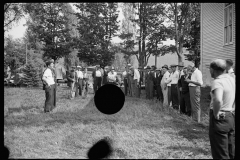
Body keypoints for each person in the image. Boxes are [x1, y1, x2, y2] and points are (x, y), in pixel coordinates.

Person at [208, 59, 235, 159]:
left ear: (212, 69)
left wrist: (216, 113)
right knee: (230, 149)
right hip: (230, 116)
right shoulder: (231, 79)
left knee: (220, 153)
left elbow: (218, 100)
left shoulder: (218, 81)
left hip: (220, 118)